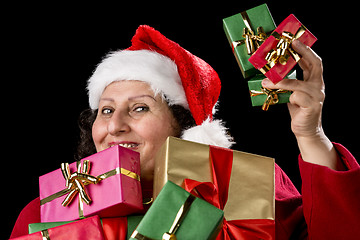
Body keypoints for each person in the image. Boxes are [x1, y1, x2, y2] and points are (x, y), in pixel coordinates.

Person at [10, 25, 360, 239]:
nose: (115, 126)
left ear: (184, 124)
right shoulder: (43, 213)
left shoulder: (251, 186)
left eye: (140, 108)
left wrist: (311, 137)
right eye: (105, 110)